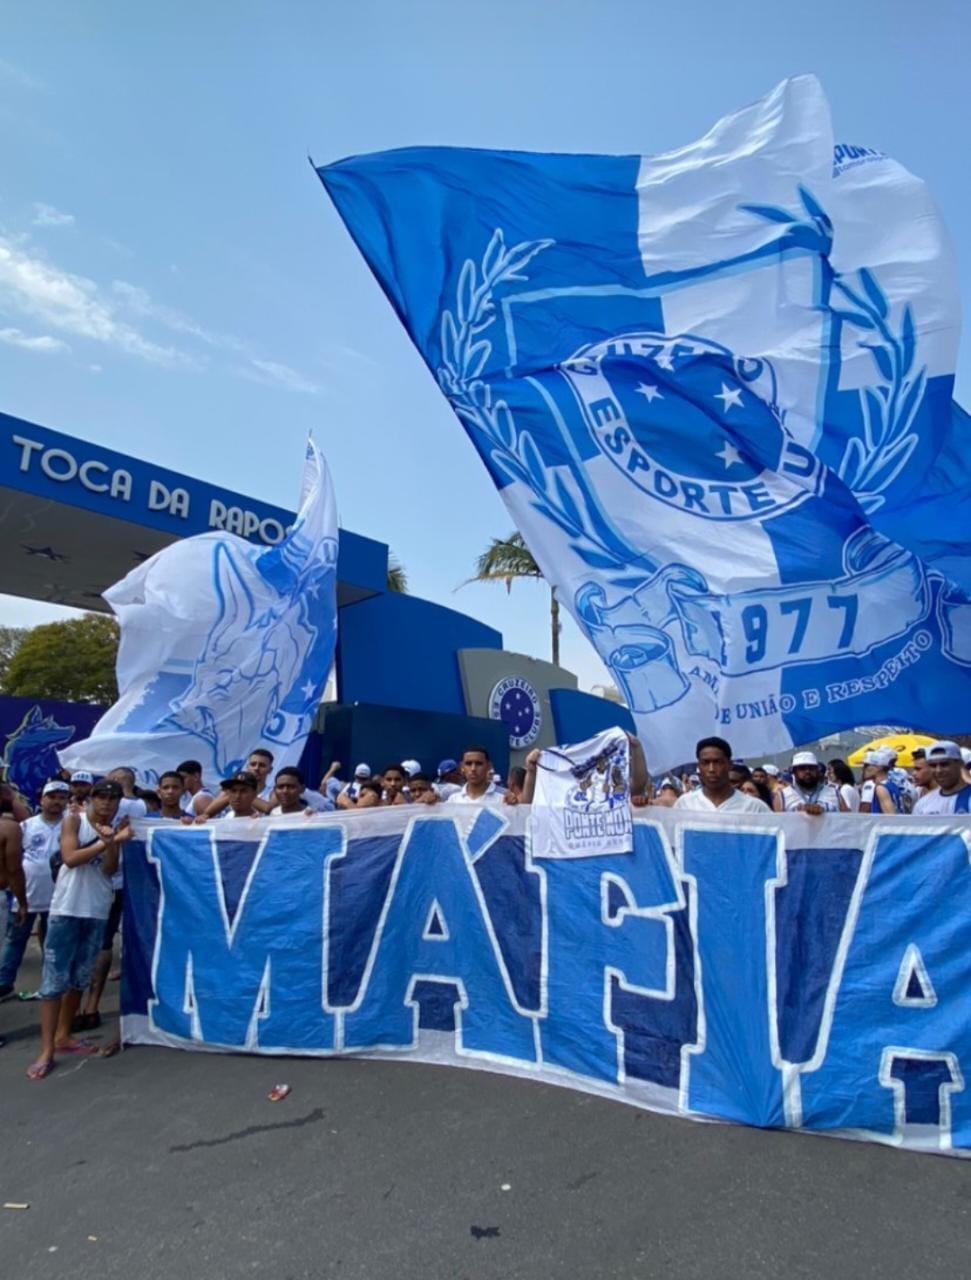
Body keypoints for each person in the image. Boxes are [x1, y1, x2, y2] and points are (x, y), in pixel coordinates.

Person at [27, 780, 133, 1080]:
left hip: (96, 909)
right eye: (101, 798)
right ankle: (46, 1048)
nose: (106, 804)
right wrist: (106, 841)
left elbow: (109, 869)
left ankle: (64, 1035)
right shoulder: (75, 820)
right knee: (53, 982)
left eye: (112, 799)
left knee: (79, 978)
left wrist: (114, 843)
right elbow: (71, 858)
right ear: (90, 799)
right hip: (67, 908)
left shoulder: (114, 829)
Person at [0, 781, 68, 999]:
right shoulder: (25, 826)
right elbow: (12, 861)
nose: (57, 801)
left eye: (61, 797)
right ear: (42, 800)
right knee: (14, 941)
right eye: (52, 796)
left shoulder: (71, 825)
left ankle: (50, 983)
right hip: (26, 893)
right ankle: (4, 983)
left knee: (53, 943)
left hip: (59, 896)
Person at [674, 737, 770, 813]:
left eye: (718, 762)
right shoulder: (684, 804)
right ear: (699, 766)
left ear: (729, 765)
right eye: (705, 763)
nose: (711, 769)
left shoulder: (754, 808)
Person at [774, 752, 846, 814]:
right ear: (794, 771)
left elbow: (848, 821)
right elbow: (778, 825)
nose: (807, 771)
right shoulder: (782, 796)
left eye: (811, 768)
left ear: (817, 770)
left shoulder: (834, 793)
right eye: (802, 768)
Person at [912, 741, 971, 815]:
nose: (938, 770)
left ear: (960, 764)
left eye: (944, 764)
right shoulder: (923, 804)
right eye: (933, 765)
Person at [858, 747, 905, 814]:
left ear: (879, 767)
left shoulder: (881, 788)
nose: (863, 769)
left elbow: (890, 817)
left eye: (867, 765)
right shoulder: (892, 785)